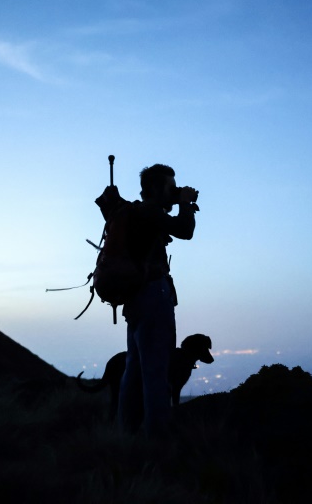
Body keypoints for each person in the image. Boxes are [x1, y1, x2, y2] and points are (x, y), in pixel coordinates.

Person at [95, 163, 199, 437]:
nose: (174, 191)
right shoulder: (149, 211)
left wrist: (178, 201)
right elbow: (185, 230)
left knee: (134, 370)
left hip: (136, 299)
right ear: (154, 189)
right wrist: (185, 203)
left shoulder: (136, 213)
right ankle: (158, 441)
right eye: (170, 187)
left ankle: (125, 436)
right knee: (156, 372)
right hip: (153, 296)